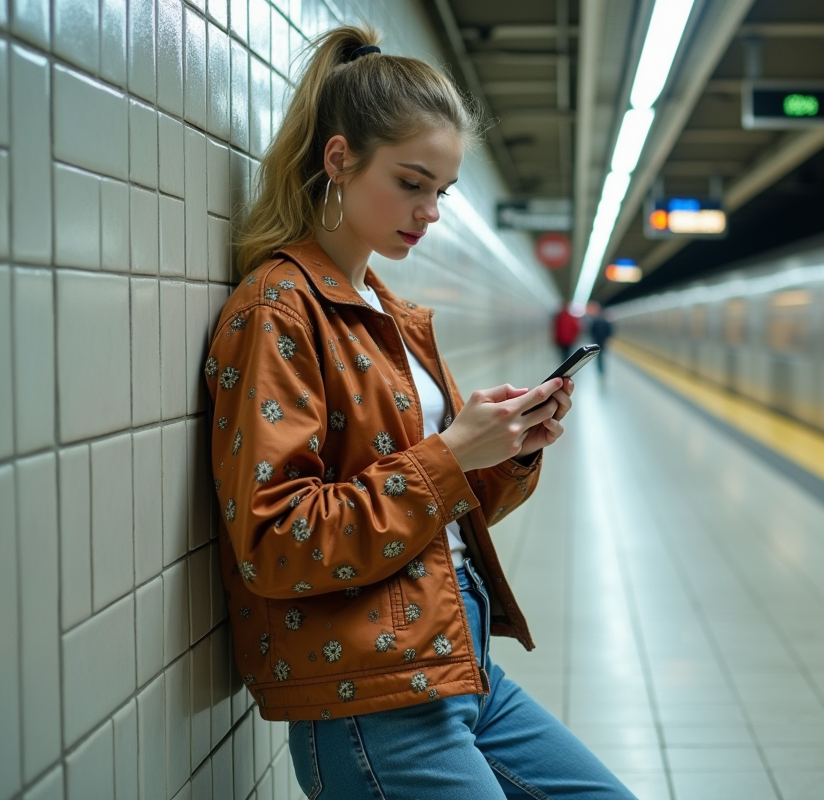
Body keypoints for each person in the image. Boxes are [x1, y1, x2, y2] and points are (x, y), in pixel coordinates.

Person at [205, 25, 636, 800]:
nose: (429, 211)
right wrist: (451, 455)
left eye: (442, 191)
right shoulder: (279, 309)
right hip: (376, 698)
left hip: (461, 665)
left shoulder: (388, 313)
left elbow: (431, 507)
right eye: (412, 183)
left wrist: (507, 448)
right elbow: (278, 542)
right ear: (340, 159)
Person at [588, 308, 615, 377]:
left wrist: (593, 339)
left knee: (599, 355)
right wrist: (608, 338)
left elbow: (592, 331)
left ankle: (600, 367)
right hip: (603, 341)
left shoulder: (595, 322)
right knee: (602, 354)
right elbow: (609, 331)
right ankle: (602, 368)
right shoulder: (606, 323)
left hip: (597, 341)